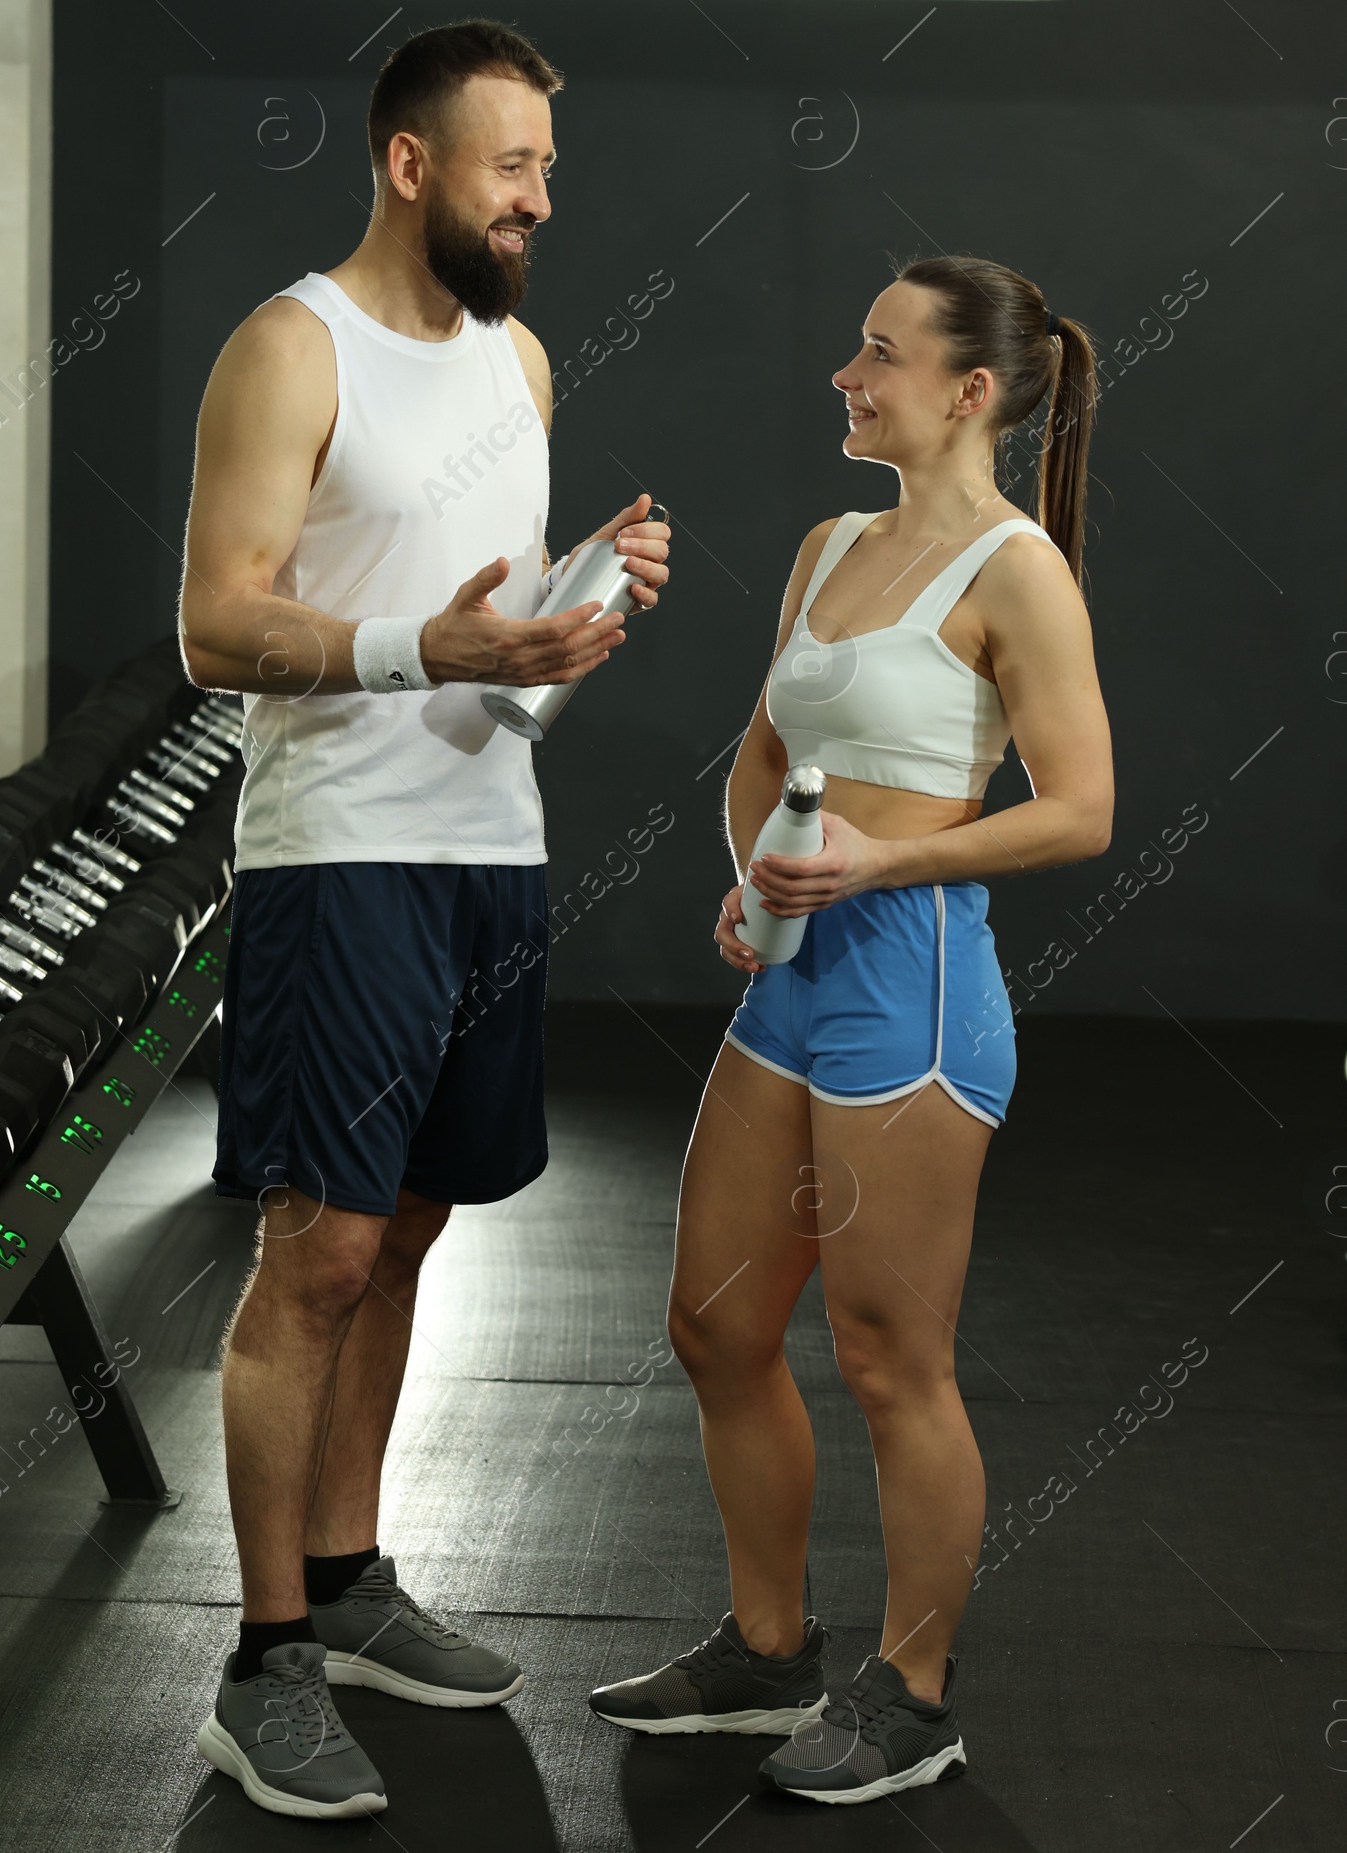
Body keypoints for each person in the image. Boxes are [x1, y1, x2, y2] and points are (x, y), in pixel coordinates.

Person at [176, 20, 671, 1820]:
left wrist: (564, 615)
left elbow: (476, 639)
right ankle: (262, 1659)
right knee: (314, 1252)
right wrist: (436, 642)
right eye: (514, 164)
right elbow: (217, 630)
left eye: (545, 165)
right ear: (410, 164)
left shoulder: (519, 362)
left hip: (489, 846)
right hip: (338, 857)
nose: (543, 194)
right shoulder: (288, 346)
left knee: (409, 1229)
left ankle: (353, 1575)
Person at [588, 256, 1112, 1804]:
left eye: (878, 356)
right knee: (717, 1321)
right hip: (796, 971)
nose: (845, 373)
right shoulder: (831, 543)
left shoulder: (1019, 571)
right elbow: (764, 748)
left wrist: (885, 858)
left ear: (969, 393)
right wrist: (750, 872)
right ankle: (767, 1648)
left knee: (891, 1358)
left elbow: (1083, 810)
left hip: (917, 977)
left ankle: (917, 1689)